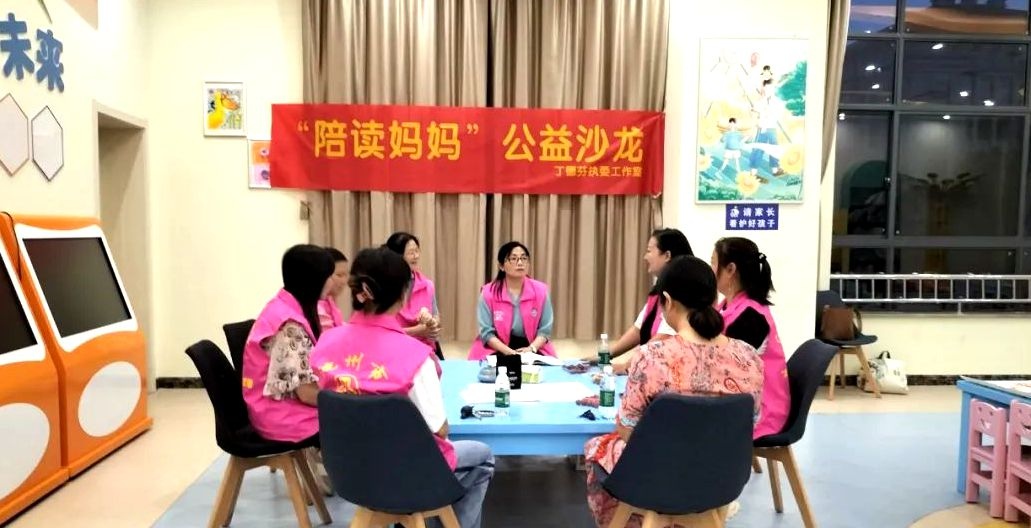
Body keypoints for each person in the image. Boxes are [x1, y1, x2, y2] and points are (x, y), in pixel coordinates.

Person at [310, 247, 494, 528]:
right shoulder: (415, 357)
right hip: (405, 476)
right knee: (482, 457)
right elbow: (439, 429)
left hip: (349, 474)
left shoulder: (325, 345)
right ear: (403, 294)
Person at [583, 256, 764, 527]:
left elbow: (627, 429)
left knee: (598, 447)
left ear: (667, 301)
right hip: (721, 477)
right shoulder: (748, 356)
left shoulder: (652, 357)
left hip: (659, 479)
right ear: (714, 299)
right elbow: (750, 423)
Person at [241, 244, 334, 443]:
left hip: (276, 410)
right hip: (283, 418)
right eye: (329, 276)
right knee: (359, 420)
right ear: (313, 280)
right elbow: (306, 393)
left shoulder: (282, 306)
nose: (332, 282)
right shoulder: (289, 327)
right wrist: (347, 403)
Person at [712, 237, 791, 439]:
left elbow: (730, 370)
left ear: (730, 269)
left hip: (760, 411)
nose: (710, 270)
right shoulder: (726, 305)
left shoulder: (751, 316)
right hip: (739, 398)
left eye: (713, 263)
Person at [607, 228, 693, 373]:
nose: (645, 257)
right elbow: (638, 329)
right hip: (650, 365)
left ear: (667, 255)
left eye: (649, 251)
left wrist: (627, 366)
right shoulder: (658, 291)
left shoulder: (681, 292)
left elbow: (664, 336)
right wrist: (605, 355)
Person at [468, 241, 555, 360]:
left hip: (532, 346)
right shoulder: (488, 293)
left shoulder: (541, 291)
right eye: (513, 259)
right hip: (498, 347)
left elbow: (545, 330)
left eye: (524, 258)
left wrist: (531, 349)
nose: (520, 263)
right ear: (501, 266)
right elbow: (487, 333)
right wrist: (509, 352)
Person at [384, 232, 443, 358]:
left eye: (417, 251)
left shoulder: (427, 285)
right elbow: (382, 332)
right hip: (393, 351)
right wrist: (418, 331)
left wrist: (433, 325)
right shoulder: (383, 286)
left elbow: (436, 316)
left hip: (424, 351)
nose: (416, 256)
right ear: (397, 256)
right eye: (411, 252)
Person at [317, 247, 348, 332]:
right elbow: (329, 334)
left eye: (346, 275)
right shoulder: (317, 307)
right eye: (339, 275)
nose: (344, 281)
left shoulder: (330, 301)